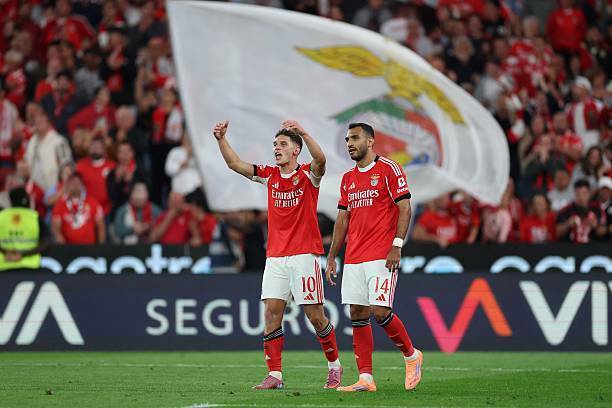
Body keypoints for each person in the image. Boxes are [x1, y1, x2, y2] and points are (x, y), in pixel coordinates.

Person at [213, 119, 342, 390]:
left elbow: (320, 159)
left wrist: (303, 132)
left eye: (282, 144)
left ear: (296, 150)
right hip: (275, 257)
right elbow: (235, 164)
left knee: (315, 316)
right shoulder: (270, 175)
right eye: (275, 144)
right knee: (272, 313)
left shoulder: (308, 175)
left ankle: (334, 366)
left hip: (304, 255)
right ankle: (275, 374)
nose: (276, 148)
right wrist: (221, 139)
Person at [326, 123, 422, 392]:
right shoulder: (348, 179)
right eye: (347, 139)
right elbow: (342, 219)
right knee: (357, 312)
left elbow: (405, 208)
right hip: (354, 256)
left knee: (380, 311)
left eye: (355, 138)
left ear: (370, 141)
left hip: (382, 253)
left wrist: (397, 245)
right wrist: (332, 256)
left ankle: (412, 355)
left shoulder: (389, 169)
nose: (350, 143)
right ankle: (365, 378)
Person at [0, 187, 48, 270]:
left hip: (4, 265)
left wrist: (5, 252)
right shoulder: (35, 217)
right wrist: (23, 254)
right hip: (29, 265)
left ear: (10, 201)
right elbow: (47, 241)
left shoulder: (1, 216)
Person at [51, 172, 105, 244]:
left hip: (89, 247)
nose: (75, 186)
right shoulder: (60, 205)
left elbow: (101, 227)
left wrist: (100, 247)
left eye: (78, 183)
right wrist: (63, 248)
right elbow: (56, 230)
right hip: (68, 247)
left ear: (82, 185)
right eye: (73, 183)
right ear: (68, 185)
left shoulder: (93, 203)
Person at [556, 179, 607, 243]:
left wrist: (595, 226)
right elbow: (558, 233)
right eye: (578, 194)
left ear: (589, 193)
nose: (581, 197)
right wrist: (568, 224)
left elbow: (603, 232)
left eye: (584, 194)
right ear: (574, 193)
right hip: (570, 246)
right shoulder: (565, 210)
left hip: (593, 246)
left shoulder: (597, 210)